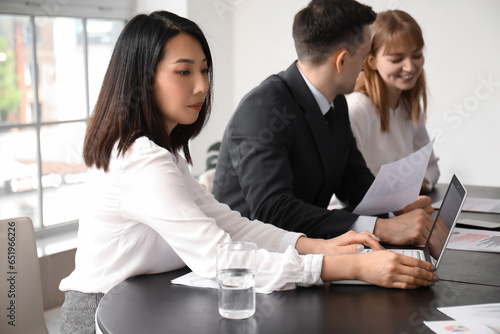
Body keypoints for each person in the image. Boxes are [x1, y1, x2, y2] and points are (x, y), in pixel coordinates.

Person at [59, 9, 438, 334]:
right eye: (183, 72)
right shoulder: (141, 161)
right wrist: (346, 266)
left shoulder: (163, 153)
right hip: (103, 318)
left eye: (205, 70)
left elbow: (234, 226)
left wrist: (320, 246)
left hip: (147, 307)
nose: (202, 86)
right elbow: (220, 258)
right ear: (143, 79)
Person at [213, 0, 435, 244]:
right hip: (248, 261)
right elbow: (274, 212)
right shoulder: (262, 109)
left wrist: (398, 209)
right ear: (341, 61)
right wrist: (380, 227)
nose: (364, 67)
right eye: (363, 57)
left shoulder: (335, 101)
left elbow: (354, 181)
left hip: (306, 251)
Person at [347, 9, 439, 194]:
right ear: (371, 61)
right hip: (356, 216)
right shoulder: (357, 108)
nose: (410, 67)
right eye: (397, 59)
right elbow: (346, 187)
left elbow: (431, 168)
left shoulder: (408, 106)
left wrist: (419, 184)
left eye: (417, 55)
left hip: (390, 212)